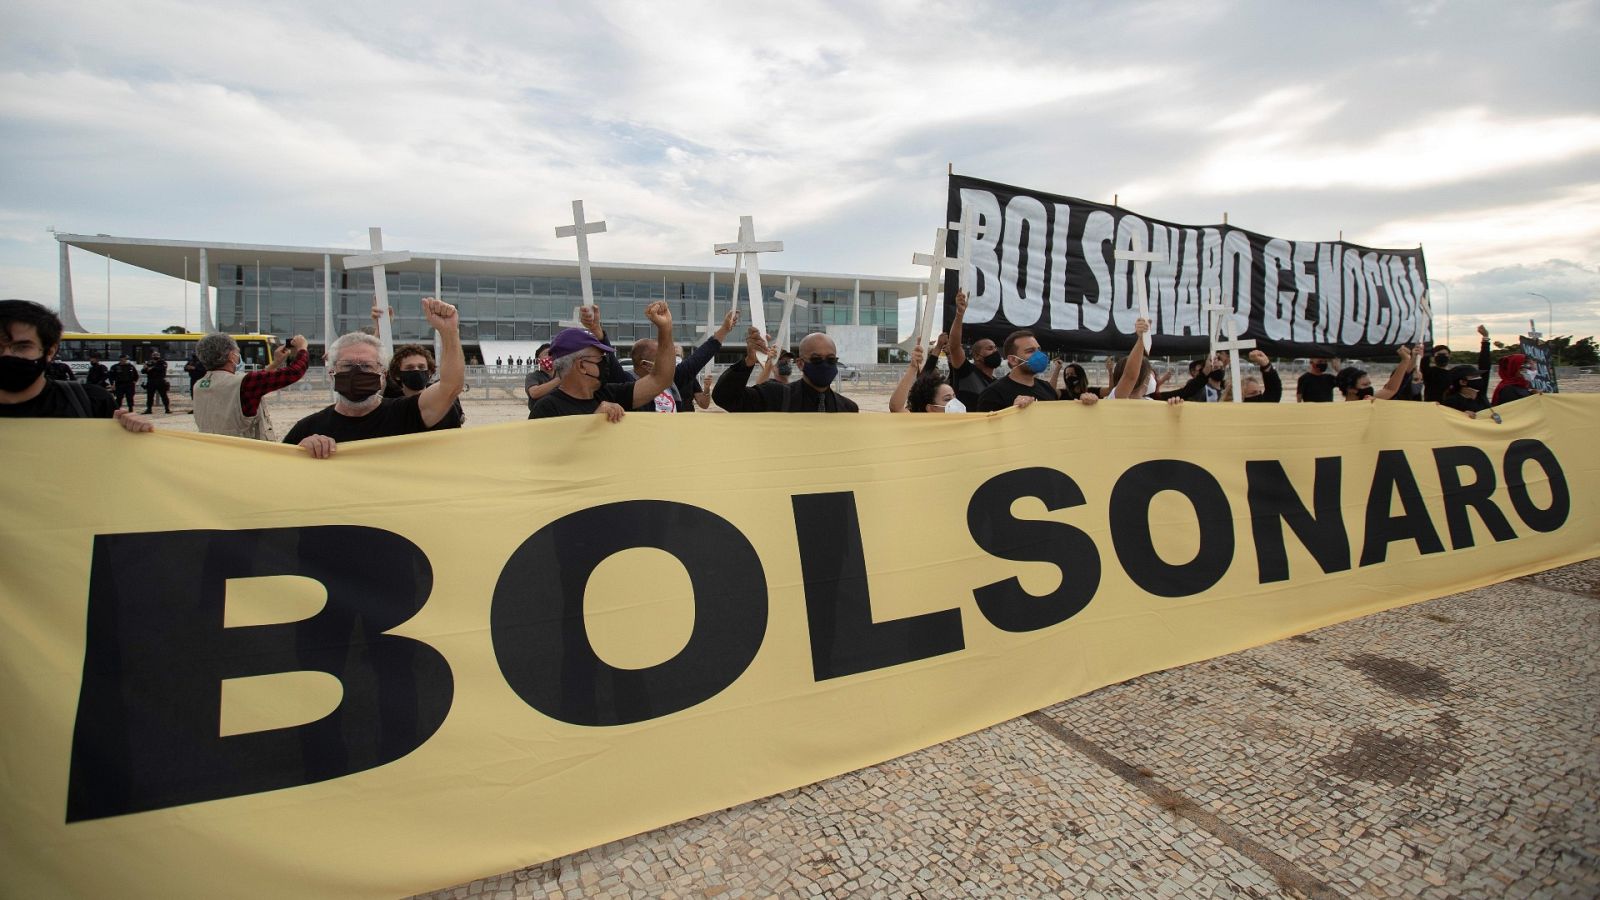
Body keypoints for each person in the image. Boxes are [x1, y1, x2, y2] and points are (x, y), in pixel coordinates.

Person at [282, 297, 465, 458]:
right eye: (347, 365)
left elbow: (449, 387)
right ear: (331, 374)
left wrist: (449, 333)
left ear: (383, 376)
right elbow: (277, 473)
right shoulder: (308, 429)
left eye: (367, 366)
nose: (357, 372)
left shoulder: (405, 414)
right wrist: (299, 454)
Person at [0, 299, 150, 430]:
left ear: (50, 352)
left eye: (22, 347)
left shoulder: (93, 402)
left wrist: (133, 432)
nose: (7, 355)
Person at [529, 301, 677, 420]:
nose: (605, 363)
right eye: (600, 358)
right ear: (581, 365)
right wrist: (595, 422)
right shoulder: (546, 409)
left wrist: (665, 329)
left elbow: (660, 380)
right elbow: (547, 455)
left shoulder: (608, 394)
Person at [193, 331, 310, 440]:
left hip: (211, 450)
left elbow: (255, 382)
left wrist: (275, 363)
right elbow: (294, 372)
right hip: (242, 453)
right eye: (237, 353)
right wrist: (302, 348)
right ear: (231, 356)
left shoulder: (199, 385)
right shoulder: (243, 384)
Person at [713, 327, 859, 413]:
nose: (825, 364)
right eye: (816, 359)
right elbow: (725, 398)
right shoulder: (776, 396)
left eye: (831, 359)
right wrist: (748, 361)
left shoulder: (848, 408)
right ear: (801, 364)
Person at [630, 308, 738, 412]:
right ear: (645, 364)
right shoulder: (629, 387)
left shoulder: (670, 380)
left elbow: (698, 358)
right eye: (660, 358)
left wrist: (724, 329)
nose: (666, 361)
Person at [977, 329, 1098, 410]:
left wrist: (1084, 406)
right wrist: (1011, 412)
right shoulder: (993, 393)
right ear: (1013, 360)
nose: (1039, 355)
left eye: (1038, 350)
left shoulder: (1047, 388)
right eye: (1030, 351)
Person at [384, 343, 465, 429]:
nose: (416, 370)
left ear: (429, 372)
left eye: (421, 367)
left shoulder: (445, 405)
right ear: (397, 374)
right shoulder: (391, 407)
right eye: (409, 368)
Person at [945, 291, 1000, 410]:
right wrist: (959, 314)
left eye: (995, 348)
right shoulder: (967, 372)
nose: (995, 351)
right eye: (990, 348)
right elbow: (954, 346)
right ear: (977, 356)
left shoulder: (997, 383)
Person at [1104, 319, 1179, 404]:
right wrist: (1142, 339)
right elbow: (1130, 376)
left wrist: (1174, 406)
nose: (1152, 377)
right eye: (1150, 373)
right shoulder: (1116, 398)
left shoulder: (1150, 402)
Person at [890, 343, 960, 413]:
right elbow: (896, 407)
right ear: (931, 408)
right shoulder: (920, 423)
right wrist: (913, 367)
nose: (954, 402)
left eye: (954, 397)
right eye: (947, 399)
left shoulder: (962, 420)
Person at [1335, 346, 1415, 401]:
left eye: (1369, 384)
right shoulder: (1342, 411)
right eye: (1365, 385)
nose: (1369, 388)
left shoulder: (1370, 400)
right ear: (1351, 389)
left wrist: (1405, 360)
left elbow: (1390, 389)